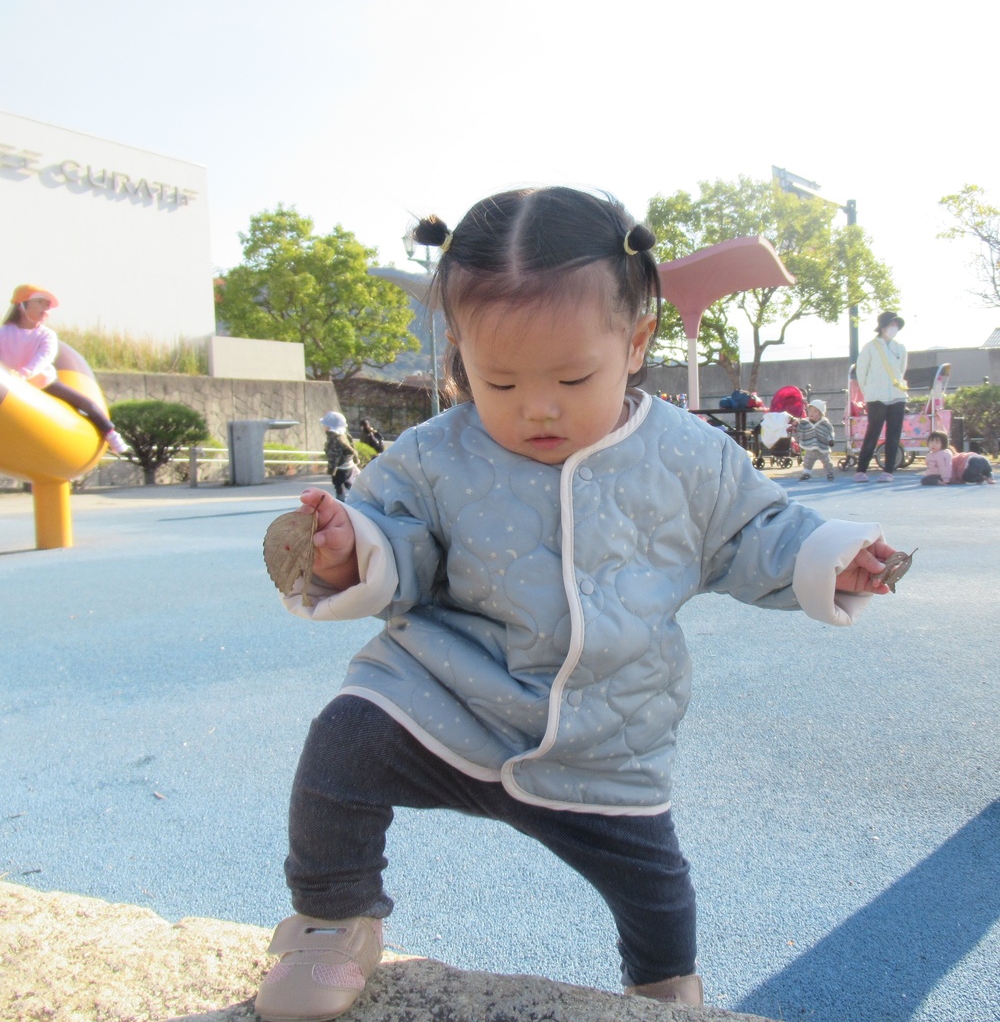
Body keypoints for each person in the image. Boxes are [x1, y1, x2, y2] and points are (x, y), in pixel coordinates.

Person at [254, 187, 899, 1022]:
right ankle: (331, 919)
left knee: (658, 895)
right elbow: (397, 536)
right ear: (461, 354)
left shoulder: (689, 458)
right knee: (345, 740)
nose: (537, 405)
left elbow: (755, 534)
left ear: (635, 343)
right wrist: (352, 548)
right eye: (499, 378)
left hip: (608, 734)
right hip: (450, 696)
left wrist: (829, 560)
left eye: (571, 375)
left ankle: (664, 986)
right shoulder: (434, 454)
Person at [0, 285, 127, 454]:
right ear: (22, 305)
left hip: (42, 383)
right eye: (40, 302)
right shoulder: (3, 333)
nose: (46, 308)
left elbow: (44, 358)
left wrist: (25, 373)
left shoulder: (46, 335)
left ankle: (110, 433)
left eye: (48, 305)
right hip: (13, 388)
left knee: (85, 403)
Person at [854, 311, 907, 483]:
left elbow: (901, 370)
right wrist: (868, 391)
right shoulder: (870, 347)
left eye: (896, 325)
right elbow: (861, 371)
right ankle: (861, 470)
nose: (894, 328)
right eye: (892, 324)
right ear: (883, 326)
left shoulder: (900, 347)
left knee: (894, 434)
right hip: (876, 396)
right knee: (873, 432)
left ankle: (888, 470)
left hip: (898, 395)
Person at [320, 411, 360, 501]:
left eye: (325, 425)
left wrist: (332, 469)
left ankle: (341, 502)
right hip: (349, 465)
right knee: (348, 483)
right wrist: (356, 459)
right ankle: (359, 498)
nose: (323, 427)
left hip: (340, 468)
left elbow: (334, 456)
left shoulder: (334, 439)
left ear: (330, 427)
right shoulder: (345, 435)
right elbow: (353, 448)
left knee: (338, 485)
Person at [796, 399, 836, 480]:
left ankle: (830, 473)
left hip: (822, 447)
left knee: (827, 462)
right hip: (810, 447)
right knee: (807, 461)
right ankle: (806, 473)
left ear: (821, 413)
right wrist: (796, 424)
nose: (811, 413)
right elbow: (800, 428)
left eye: (815, 411)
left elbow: (829, 432)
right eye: (810, 411)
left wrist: (830, 440)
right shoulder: (805, 422)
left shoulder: (825, 424)